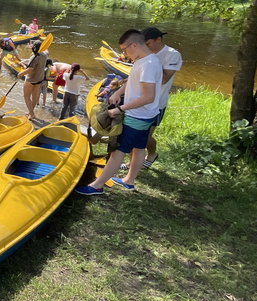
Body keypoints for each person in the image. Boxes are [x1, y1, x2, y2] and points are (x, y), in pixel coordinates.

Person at [75, 29, 162, 195]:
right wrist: (118, 92)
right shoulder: (143, 60)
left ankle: (96, 186)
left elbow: (148, 97)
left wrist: (120, 109)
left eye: (124, 49)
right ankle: (129, 181)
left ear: (134, 45)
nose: (124, 53)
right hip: (146, 115)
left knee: (118, 150)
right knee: (138, 147)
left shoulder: (149, 64)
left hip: (138, 115)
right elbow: (133, 80)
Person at [137, 27, 182, 169]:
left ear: (159, 39)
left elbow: (163, 79)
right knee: (135, 134)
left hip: (157, 103)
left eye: (148, 44)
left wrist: (151, 58)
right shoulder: (144, 53)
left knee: (145, 136)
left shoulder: (172, 55)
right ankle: (133, 161)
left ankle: (152, 154)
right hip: (139, 100)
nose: (146, 47)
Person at [17, 40, 51, 120]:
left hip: (31, 79)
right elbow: (47, 50)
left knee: (26, 96)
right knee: (35, 97)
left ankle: (32, 114)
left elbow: (30, 70)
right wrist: (44, 43)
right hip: (39, 78)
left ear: (34, 48)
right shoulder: (45, 55)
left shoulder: (34, 57)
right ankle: (30, 112)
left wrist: (20, 74)